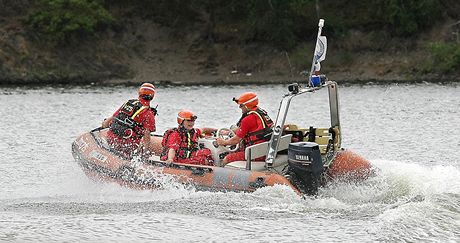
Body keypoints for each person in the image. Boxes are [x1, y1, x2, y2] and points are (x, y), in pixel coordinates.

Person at [101, 82, 157, 158]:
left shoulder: (129, 103)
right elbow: (146, 136)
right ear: (152, 96)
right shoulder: (148, 113)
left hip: (111, 138)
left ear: (139, 92)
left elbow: (110, 120)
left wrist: (104, 124)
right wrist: (146, 152)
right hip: (127, 145)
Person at [216, 92, 273, 165]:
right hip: (265, 149)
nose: (239, 107)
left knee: (227, 159)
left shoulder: (247, 119)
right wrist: (228, 132)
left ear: (247, 105)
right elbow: (248, 129)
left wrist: (224, 142)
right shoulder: (260, 112)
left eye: (241, 105)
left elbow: (236, 140)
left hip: (256, 154)